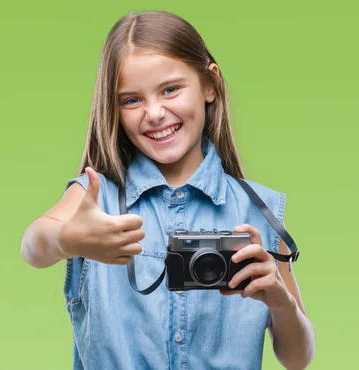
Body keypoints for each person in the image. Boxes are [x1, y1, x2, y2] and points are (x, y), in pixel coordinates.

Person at [20, 10, 315, 370]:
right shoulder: (98, 199)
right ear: (114, 109)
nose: (155, 113)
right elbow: (33, 244)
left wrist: (279, 301)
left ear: (210, 84)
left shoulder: (261, 210)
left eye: (170, 89)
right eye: (131, 100)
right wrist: (68, 239)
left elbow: (298, 359)